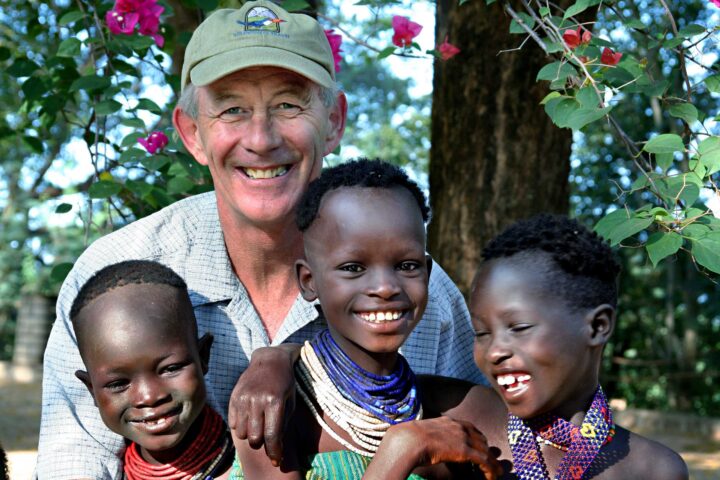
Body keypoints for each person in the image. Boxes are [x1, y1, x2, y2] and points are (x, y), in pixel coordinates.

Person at [36, 1, 484, 477]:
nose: (261, 138)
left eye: (289, 104)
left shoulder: (419, 297)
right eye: (231, 109)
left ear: (333, 121)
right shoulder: (114, 281)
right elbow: (74, 461)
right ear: (191, 133)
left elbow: (485, 446)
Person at [233, 158, 502, 480]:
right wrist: (402, 450)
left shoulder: (461, 405)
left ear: (428, 273)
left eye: (406, 265)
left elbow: (570, 454)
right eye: (353, 268)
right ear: (309, 281)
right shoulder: (274, 408)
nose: (385, 288)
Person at [448, 213, 689, 479]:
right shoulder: (457, 417)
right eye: (481, 332)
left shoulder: (654, 469)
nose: (494, 351)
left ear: (598, 326)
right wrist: (409, 445)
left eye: (519, 328)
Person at [71, 260, 234, 479]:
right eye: (118, 384)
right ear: (92, 390)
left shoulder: (261, 463)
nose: (149, 396)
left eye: (170, 369)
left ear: (203, 356)